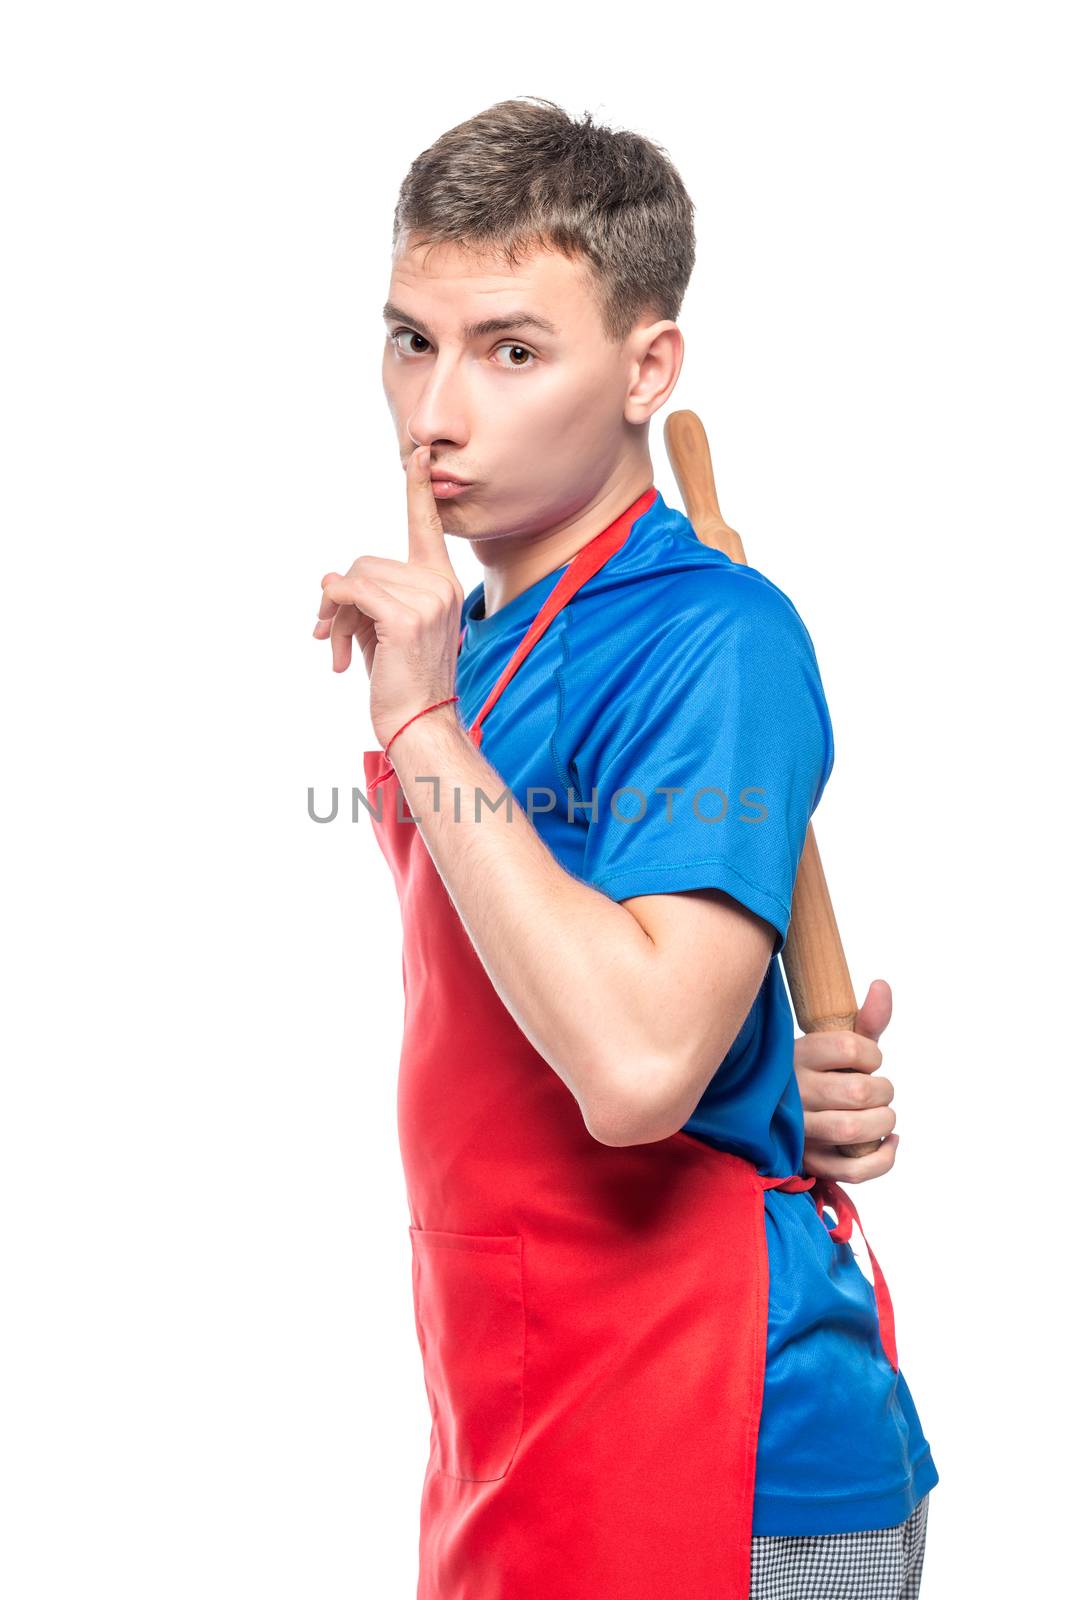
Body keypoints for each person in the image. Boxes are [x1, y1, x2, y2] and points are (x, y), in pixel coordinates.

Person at [315, 96, 937, 1600]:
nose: (433, 412)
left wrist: (425, 741)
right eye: (413, 340)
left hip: (726, 1446)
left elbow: (642, 1070)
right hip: (514, 1424)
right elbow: (575, 984)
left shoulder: (710, 635)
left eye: (510, 351)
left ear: (648, 367)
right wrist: (788, 1080)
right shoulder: (486, 639)